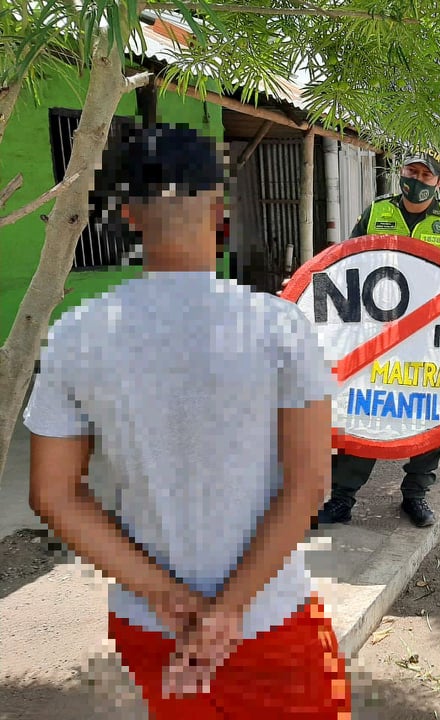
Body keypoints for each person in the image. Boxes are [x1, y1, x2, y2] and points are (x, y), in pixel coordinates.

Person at [24, 125, 350, 718]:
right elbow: (310, 483)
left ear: (129, 216)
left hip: (150, 625)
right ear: (219, 211)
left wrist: (167, 597)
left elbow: (52, 494)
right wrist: (228, 610)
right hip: (269, 616)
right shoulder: (278, 327)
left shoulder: (76, 334)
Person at [316, 149, 440, 528]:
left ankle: (416, 496)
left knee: (430, 414)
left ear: (438, 182)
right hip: (376, 337)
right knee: (365, 411)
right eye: (412, 171)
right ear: (401, 173)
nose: (417, 179)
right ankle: (342, 499)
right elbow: (346, 264)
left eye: (426, 175)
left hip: (430, 338)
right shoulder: (376, 212)